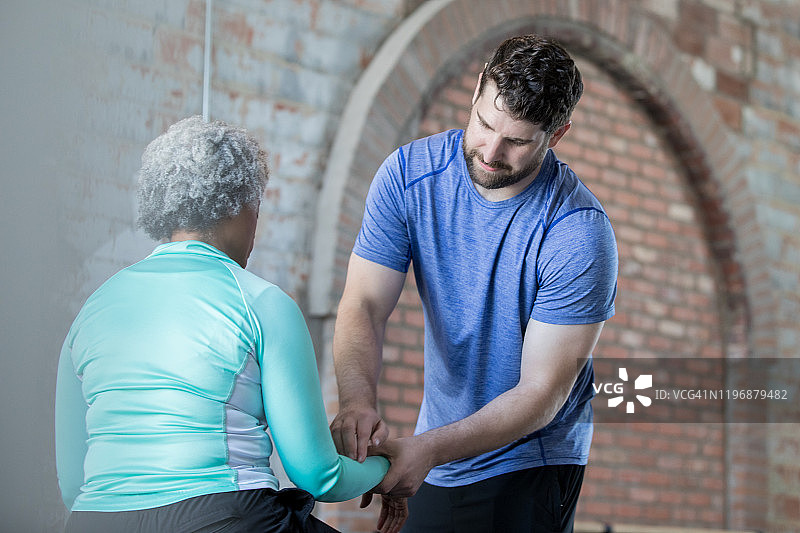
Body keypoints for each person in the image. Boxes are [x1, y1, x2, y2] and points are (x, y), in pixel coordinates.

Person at [55, 116, 406, 533]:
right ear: (241, 205)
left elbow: (73, 483)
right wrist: (388, 469)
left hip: (93, 521)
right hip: (222, 516)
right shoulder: (262, 303)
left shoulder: (90, 312)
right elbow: (318, 476)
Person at [329, 34, 618, 532]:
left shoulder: (577, 232)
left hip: (532, 459)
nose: (490, 150)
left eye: (518, 141)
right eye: (484, 124)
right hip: (438, 442)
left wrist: (428, 449)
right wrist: (358, 401)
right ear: (477, 90)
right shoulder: (408, 176)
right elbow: (364, 304)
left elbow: (541, 393)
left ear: (558, 133)